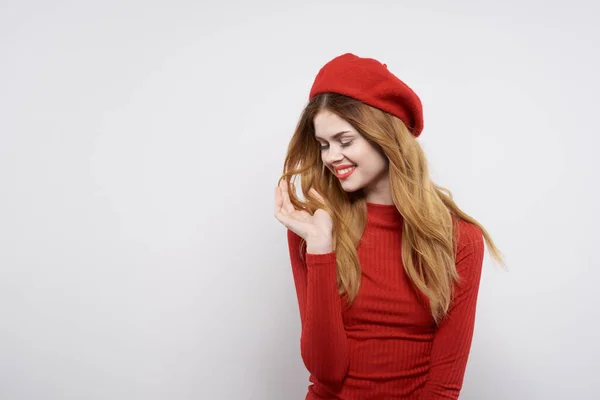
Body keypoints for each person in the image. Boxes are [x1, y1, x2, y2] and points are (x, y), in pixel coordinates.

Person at [273, 53, 503, 400]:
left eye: (344, 140)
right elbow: (326, 372)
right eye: (323, 145)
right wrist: (321, 248)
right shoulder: (312, 231)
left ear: (385, 135)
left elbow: (443, 387)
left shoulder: (459, 239)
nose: (331, 156)